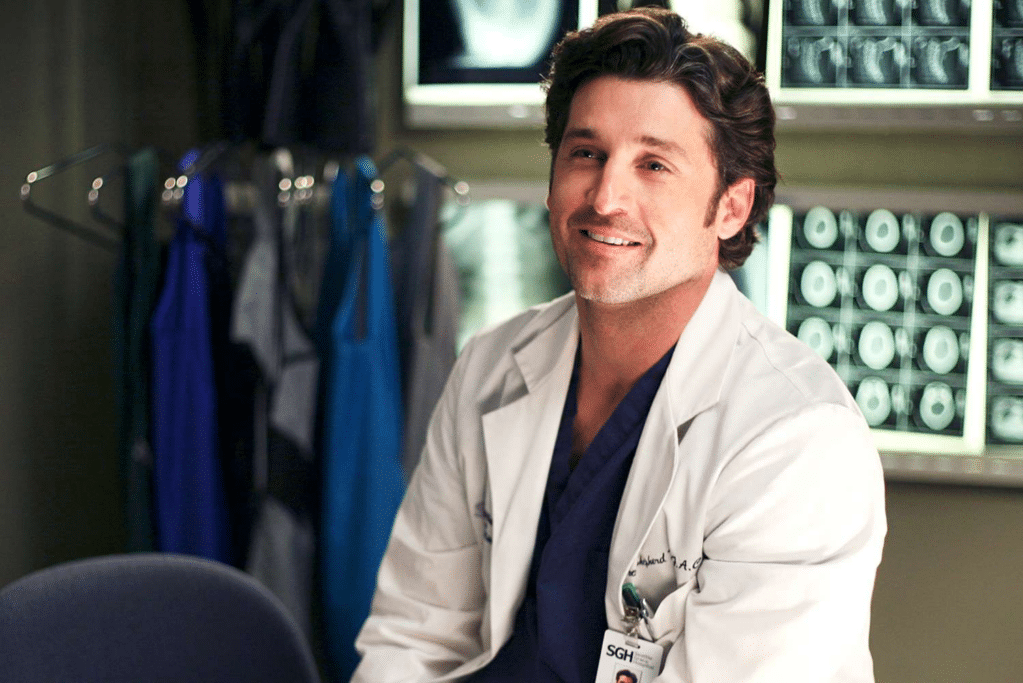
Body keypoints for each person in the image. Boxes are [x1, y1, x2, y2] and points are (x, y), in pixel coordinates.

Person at [351, 7, 886, 683]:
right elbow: (412, 636)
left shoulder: (798, 440)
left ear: (731, 207)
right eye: (586, 154)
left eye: (653, 164)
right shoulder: (491, 365)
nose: (606, 197)